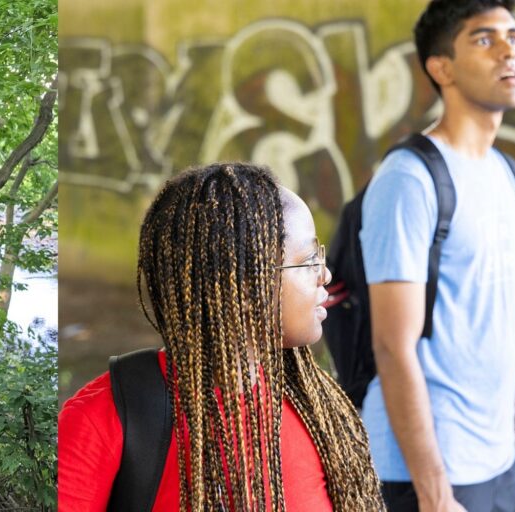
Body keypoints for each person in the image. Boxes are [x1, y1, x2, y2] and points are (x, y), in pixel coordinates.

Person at [58, 163, 384, 511]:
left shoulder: (319, 408)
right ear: (243, 285)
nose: (325, 274)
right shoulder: (102, 418)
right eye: (307, 262)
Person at [358, 1, 515, 510]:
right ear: (441, 68)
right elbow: (392, 344)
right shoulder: (409, 178)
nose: (509, 50)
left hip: (499, 464)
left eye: (514, 35)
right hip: (423, 473)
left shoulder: (508, 174)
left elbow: (512, 325)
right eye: (484, 39)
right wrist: (435, 493)